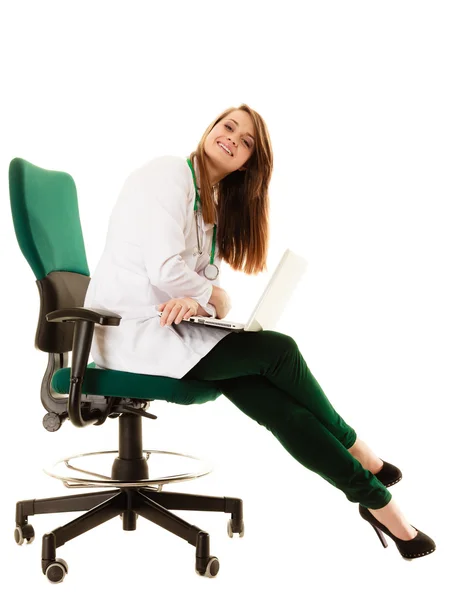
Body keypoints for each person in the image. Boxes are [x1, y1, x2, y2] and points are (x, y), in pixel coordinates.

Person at [84, 103, 435, 560]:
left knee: (279, 409)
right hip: (126, 336)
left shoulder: (206, 203)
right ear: (210, 128)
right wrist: (214, 296)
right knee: (277, 352)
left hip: (168, 333)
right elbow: (168, 269)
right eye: (228, 127)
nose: (232, 138)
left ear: (249, 162)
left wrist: (204, 298)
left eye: (246, 141)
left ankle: (379, 505)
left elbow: (188, 282)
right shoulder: (170, 174)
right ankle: (360, 453)